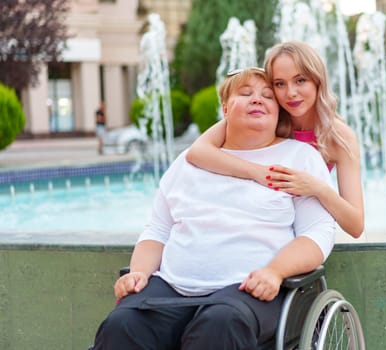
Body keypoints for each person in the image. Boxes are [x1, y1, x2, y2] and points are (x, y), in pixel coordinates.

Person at [92, 67, 335, 349]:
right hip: (172, 288)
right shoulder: (187, 162)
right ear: (224, 108)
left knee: (219, 324)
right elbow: (158, 230)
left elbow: (317, 232)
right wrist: (139, 272)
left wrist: (275, 272)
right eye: (245, 94)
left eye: (268, 96)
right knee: (123, 324)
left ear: (279, 111)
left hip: (247, 292)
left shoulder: (299, 157)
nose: (257, 99)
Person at [186, 41, 364, 238]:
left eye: (300, 80)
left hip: (306, 231)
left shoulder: (339, 136)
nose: (291, 93)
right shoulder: (266, 117)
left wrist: (317, 187)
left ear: (317, 80)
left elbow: (356, 226)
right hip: (258, 222)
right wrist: (258, 173)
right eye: (280, 84)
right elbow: (197, 152)